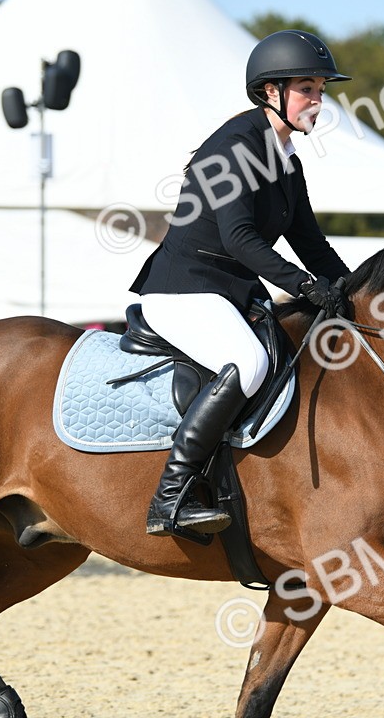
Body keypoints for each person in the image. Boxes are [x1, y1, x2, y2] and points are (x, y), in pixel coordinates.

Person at [129, 30, 352, 538]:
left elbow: (311, 243)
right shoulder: (234, 147)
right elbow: (240, 239)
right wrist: (304, 287)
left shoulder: (285, 159)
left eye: (321, 90)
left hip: (227, 293)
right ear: (270, 92)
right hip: (182, 290)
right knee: (248, 362)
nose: (319, 101)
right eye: (308, 89)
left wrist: (356, 293)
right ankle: (171, 497)